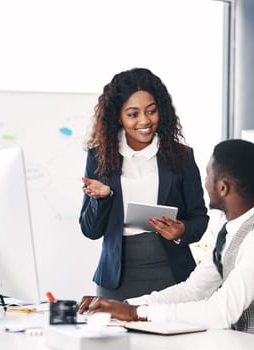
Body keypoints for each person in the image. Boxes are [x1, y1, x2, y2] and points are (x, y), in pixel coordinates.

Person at [78, 139, 254, 346]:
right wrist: (124, 305)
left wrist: (139, 313)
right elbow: (194, 289)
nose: (204, 183)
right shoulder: (231, 231)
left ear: (223, 187)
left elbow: (221, 312)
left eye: (207, 175)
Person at [79, 68, 209, 301]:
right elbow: (90, 230)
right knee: (118, 337)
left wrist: (181, 231)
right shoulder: (99, 158)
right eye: (133, 114)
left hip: (172, 276)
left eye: (151, 111)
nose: (144, 121)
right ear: (118, 117)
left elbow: (200, 219)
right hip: (116, 279)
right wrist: (102, 199)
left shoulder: (182, 157)